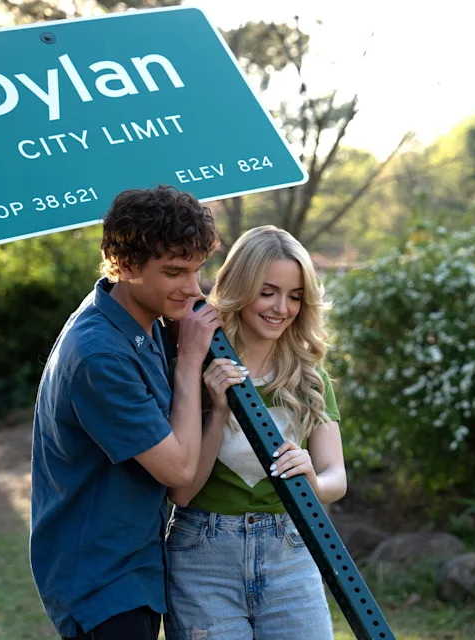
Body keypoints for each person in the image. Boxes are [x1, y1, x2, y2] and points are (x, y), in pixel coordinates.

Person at [29, 186, 245, 640]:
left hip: (136, 569)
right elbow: (180, 472)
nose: (193, 289)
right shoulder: (99, 355)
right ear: (124, 267)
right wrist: (188, 361)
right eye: (174, 272)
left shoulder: (137, 323)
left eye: (197, 269)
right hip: (100, 584)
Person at [164, 225, 347, 640]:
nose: (282, 308)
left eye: (295, 296)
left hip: (290, 549)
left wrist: (313, 480)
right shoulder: (195, 365)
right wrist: (218, 410)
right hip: (203, 554)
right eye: (267, 292)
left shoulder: (310, 379)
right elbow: (183, 492)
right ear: (240, 287)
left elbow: (337, 478)